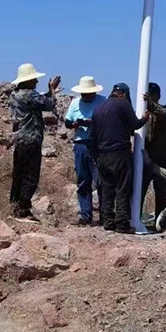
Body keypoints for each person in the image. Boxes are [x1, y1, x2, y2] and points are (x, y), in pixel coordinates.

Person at [91, 82, 150, 233]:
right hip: (119, 153)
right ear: (124, 94)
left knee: (107, 189)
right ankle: (122, 224)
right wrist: (145, 118)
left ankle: (108, 221)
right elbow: (135, 125)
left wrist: (96, 156)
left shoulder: (98, 108)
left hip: (102, 154)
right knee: (122, 188)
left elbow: (93, 136)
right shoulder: (123, 104)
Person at [8, 63, 61, 219]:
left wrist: (47, 93)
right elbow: (48, 104)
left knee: (18, 174)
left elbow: (36, 102)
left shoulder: (14, 95)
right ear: (29, 80)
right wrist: (52, 91)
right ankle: (23, 210)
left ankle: (14, 206)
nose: (36, 82)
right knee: (31, 176)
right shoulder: (31, 95)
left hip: (19, 140)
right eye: (34, 79)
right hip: (32, 139)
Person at [64, 75, 106, 226]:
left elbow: (108, 120)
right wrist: (75, 124)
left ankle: (105, 214)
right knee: (83, 180)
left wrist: (92, 122)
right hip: (81, 143)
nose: (85, 96)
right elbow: (67, 122)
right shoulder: (75, 103)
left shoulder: (103, 102)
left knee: (101, 180)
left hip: (98, 144)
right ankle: (85, 214)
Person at [141, 83, 166, 220]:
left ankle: (160, 220)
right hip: (145, 156)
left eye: (152, 95)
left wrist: (151, 104)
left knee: (161, 191)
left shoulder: (165, 109)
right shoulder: (142, 113)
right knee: (139, 189)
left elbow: (164, 115)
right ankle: (135, 218)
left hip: (161, 158)